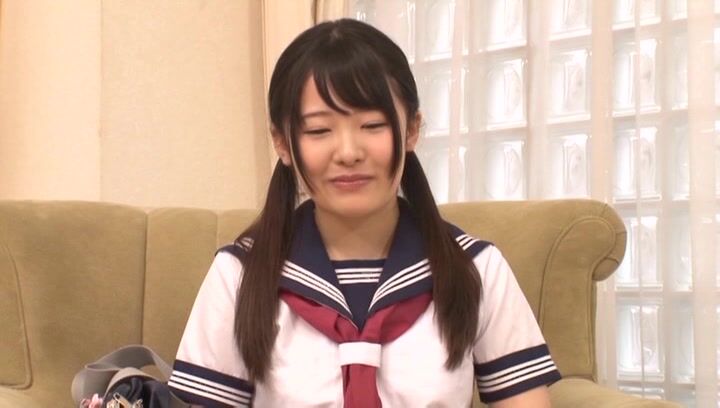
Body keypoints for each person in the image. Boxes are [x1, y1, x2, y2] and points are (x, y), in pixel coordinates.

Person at [168, 18, 560, 407]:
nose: (349, 152)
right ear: (282, 143)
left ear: (412, 130)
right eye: (319, 131)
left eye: (372, 125)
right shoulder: (239, 274)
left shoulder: (475, 267)